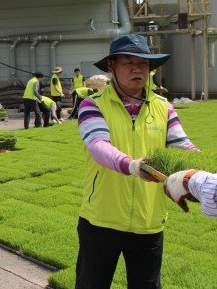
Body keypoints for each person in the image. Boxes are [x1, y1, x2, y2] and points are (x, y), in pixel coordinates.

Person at [76, 34, 197, 289]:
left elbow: (182, 146)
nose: (137, 69)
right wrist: (131, 165)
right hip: (101, 220)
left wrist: (203, 174)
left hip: (149, 221)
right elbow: (98, 145)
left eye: (143, 63)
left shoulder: (164, 107)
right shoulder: (92, 105)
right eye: (128, 62)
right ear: (111, 67)